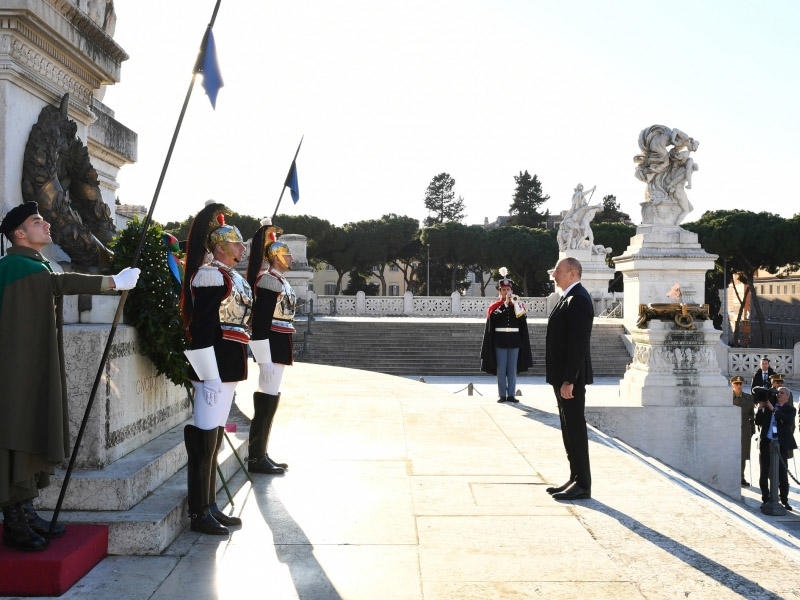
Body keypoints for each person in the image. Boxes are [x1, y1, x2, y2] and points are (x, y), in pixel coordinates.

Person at [0, 201, 140, 551]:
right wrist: (111, 282)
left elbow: (54, 281)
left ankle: (25, 509)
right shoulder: (18, 266)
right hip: (16, 372)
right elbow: (60, 283)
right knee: (19, 431)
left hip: (27, 367)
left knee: (29, 428)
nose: (46, 225)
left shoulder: (32, 264)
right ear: (19, 234)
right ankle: (15, 521)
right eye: (37, 222)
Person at [180, 202, 251, 535]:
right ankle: (199, 512)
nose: (242, 248)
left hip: (229, 362)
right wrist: (208, 374)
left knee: (214, 437)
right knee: (204, 438)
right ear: (220, 246)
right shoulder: (210, 276)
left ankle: (209, 504)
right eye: (237, 243)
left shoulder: (228, 276)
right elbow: (203, 327)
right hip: (215, 364)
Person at [245, 219, 296, 474]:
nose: (291, 258)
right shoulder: (269, 281)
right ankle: (256, 457)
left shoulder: (279, 280)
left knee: (271, 397)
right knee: (266, 399)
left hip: (281, 341)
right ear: (275, 256)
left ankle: (261, 453)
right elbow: (261, 324)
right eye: (286, 254)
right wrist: (263, 358)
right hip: (272, 343)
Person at [545, 257, 594, 500]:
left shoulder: (580, 300)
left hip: (570, 380)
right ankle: (575, 477)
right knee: (567, 428)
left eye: (559, 271)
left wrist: (569, 380)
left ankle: (583, 483)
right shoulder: (569, 298)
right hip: (563, 377)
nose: (554, 274)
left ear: (573, 273)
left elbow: (578, 345)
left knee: (575, 429)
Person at [480, 270, 533, 403]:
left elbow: (523, 320)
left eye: (508, 289)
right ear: (499, 291)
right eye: (503, 290)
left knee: (512, 369)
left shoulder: (517, 305)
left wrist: (515, 304)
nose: (505, 292)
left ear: (511, 290)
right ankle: (502, 395)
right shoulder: (496, 306)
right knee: (501, 369)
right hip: (500, 340)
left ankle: (511, 395)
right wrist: (504, 304)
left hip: (515, 341)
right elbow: (494, 318)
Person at [754, 386, 797, 511]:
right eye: (777, 392)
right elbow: (758, 422)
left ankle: (784, 500)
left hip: (781, 446)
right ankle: (766, 498)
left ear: (787, 396)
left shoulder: (790, 409)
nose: (778, 394)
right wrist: (761, 408)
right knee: (764, 472)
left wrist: (773, 409)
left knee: (783, 474)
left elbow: (787, 420)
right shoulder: (768, 407)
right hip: (767, 443)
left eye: (782, 393)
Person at [730, 375, 755, 487]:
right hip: (730, 430)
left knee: (743, 455)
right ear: (732, 385)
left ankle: (741, 477)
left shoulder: (749, 398)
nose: (739, 386)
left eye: (740, 383)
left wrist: (752, 430)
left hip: (744, 430)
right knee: (731, 453)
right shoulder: (726, 397)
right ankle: (731, 476)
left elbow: (751, 415)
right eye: (736, 384)